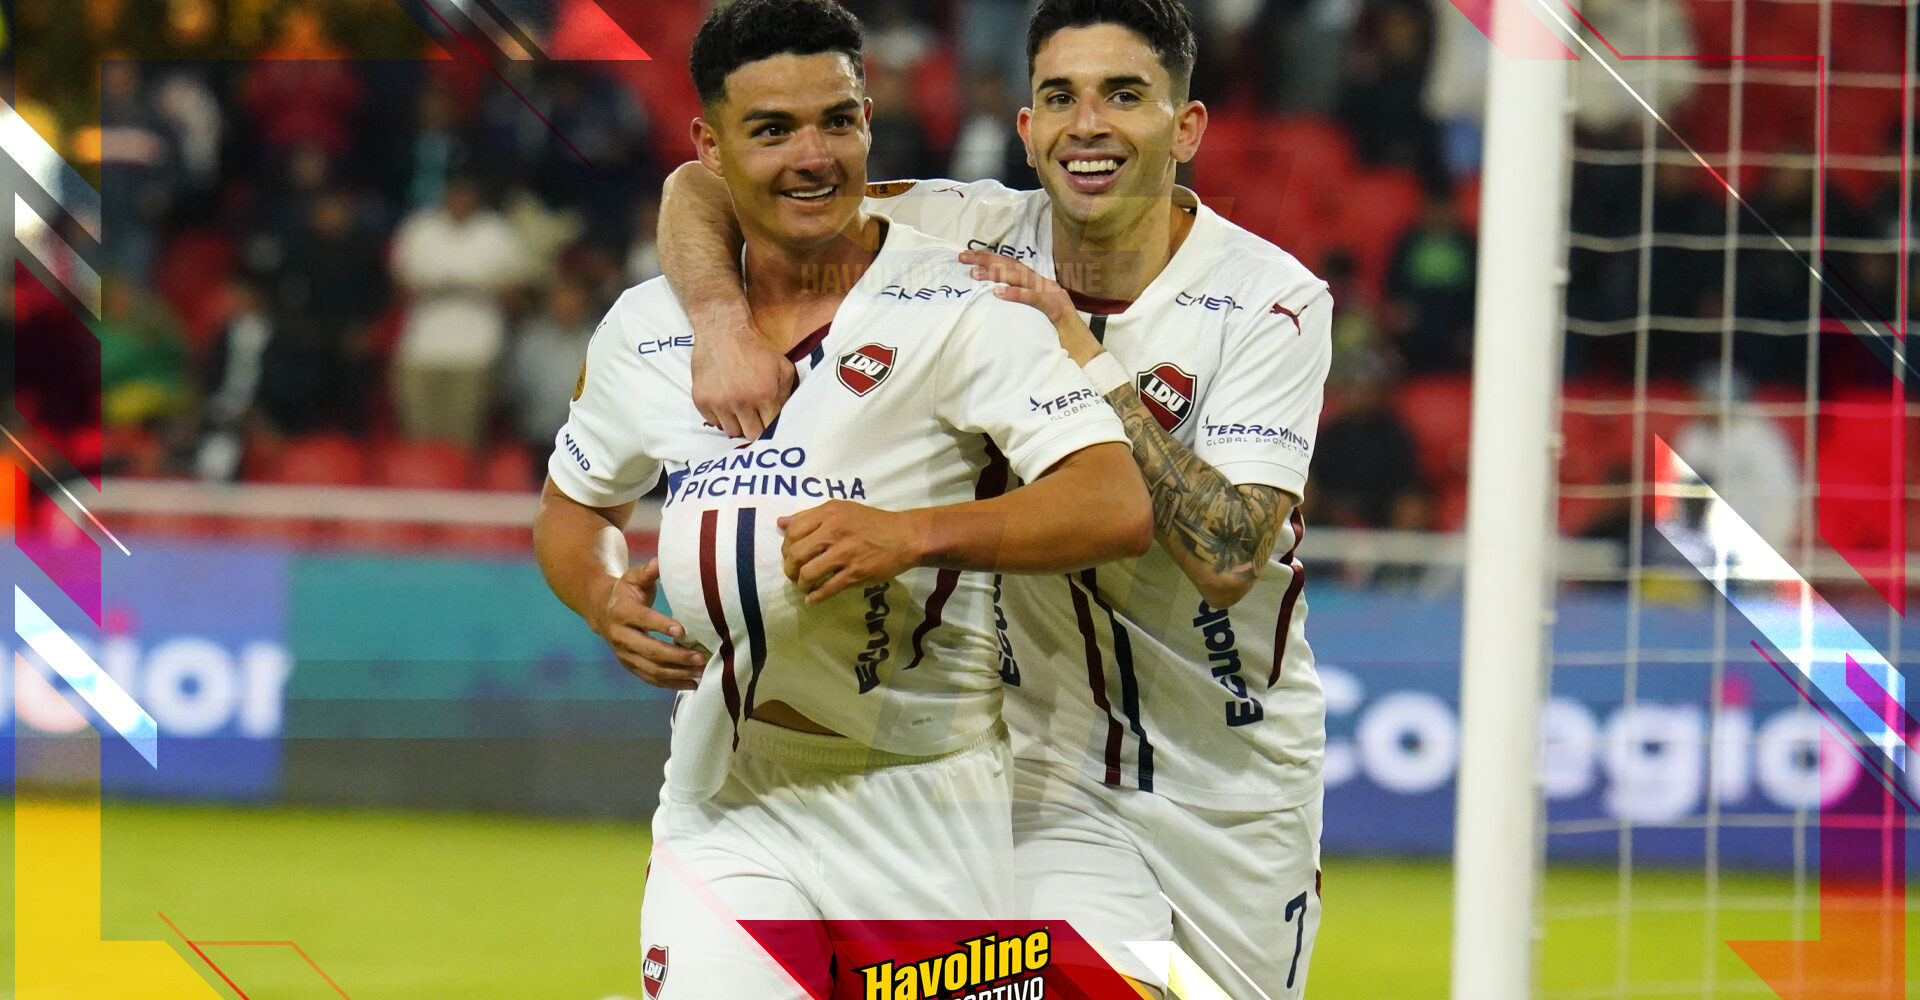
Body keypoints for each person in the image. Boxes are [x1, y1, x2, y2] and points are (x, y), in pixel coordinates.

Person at [654, 1, 1332, 996]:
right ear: (1027, 126)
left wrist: (1081, 357)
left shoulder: (1271, 301)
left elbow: (1229, 556)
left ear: (1185, 127)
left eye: (1123, 95)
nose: (1088, 124)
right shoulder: (959, 231)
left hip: (1230, 779)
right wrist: (719, 320)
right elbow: (704, 184)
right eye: (1060, 96)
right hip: (1037, 772)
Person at [532, 3, 1151, 997]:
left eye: (836, 121)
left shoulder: (966, 305)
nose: (811, 156)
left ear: (869, 121)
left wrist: (913, 535)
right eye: (772, 130)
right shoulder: (648, 330)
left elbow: (1114, 502)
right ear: (710, 149)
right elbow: (574, 508)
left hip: (925, 801)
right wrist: (604, 596)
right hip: (725, 790)